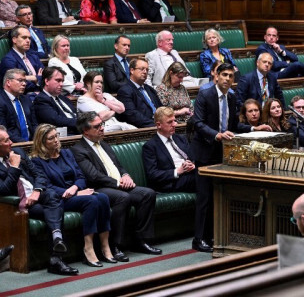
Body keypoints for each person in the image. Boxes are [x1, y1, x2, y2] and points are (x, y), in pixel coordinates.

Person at [71, 112, 161, 260]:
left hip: (117, 185)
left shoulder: (104, 144)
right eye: (97, 126)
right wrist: (118, 183)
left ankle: (141, 240)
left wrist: (126, 176)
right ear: (85, 131)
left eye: (102, 124)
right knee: (122, 197)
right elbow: (94, 176)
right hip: (99, 189)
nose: (102, 128)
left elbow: (119, 166)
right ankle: (115, 245)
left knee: (147, 194)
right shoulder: (79, 150)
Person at [31, 124, 115, 267]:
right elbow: (46, 186)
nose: (56, 140)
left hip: (76, 192)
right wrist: (73, 192)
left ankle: (105, 245)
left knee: (103, 198)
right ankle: (88, 248)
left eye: (57, 135)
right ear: (42, 142)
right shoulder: (37, 161)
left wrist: (76, 187)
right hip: (59, 199)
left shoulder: (66, 153)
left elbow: (81, 176)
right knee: (91, 201)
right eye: (51, 138)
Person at [0, 125, 78, 276]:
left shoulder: (19, 152)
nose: (11, 142)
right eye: (6, 141)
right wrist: (14, 168)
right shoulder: (12, 160)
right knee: (56, 208)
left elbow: (39, 174)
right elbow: (4, 190)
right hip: (19, 204)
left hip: (37, 196)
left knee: (52, 198)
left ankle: (56, 240)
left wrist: (37, 191)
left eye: (9, 138)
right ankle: (56, 259)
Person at [142, 107, 213, 252]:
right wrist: (177, 171)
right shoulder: (150, 146)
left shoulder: (180, 138)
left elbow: (192, 156)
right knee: (206, 182)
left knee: (209, 181)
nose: (175, 124)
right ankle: (200, 237)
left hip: (190, 175)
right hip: (171, 182)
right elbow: (153, 175)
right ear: (158, 125)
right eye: (170, 122)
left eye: (174, 120)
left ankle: (208, 234)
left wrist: (192, 164)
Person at [191, 63, 247, 168]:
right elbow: (198, 123)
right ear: (217, 76)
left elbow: (235, 125)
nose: (227, 78)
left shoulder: (232, 98)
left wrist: (254, 128)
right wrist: (217, 135)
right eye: (224, 75)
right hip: (205, 149)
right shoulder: (204, 95)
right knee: (205, 184)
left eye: (231, 76)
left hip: (224, 149)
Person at [117, 56, 163, 128]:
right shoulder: (125, 91)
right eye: (142, 69)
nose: (145, 72)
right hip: (144, 129)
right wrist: (155, 125)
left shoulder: (150, 89)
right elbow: (132, 115)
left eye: (147, 70)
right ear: (132, 70)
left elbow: (161, 108)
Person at [0, 25, 44, 93]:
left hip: (40, 94)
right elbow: (17, 86)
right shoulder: (8, 60)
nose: (28, 41)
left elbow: (46, 76)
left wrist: (32, 78)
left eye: (29, 38)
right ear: (14, 40)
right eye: (24, 37)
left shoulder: (33, 57)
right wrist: (38, 80)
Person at [34, 67, 78, 134]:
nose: (61, 84)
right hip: (64, 136)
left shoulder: (64, 98)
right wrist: (80, 122)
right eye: (58, 80)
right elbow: (56, 120)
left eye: (62, 81)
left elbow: (75, 114)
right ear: (47, 81)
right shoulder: (41, 100)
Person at [0, 69, 38, 142]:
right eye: (20, 80)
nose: (24, 84)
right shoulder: (1, 101)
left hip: (32, 143)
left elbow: (34, 124)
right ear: (8, 82)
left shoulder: (26, 99)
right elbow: (3, 130)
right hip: (13, 145)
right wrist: (25, 143)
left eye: (25, 81)